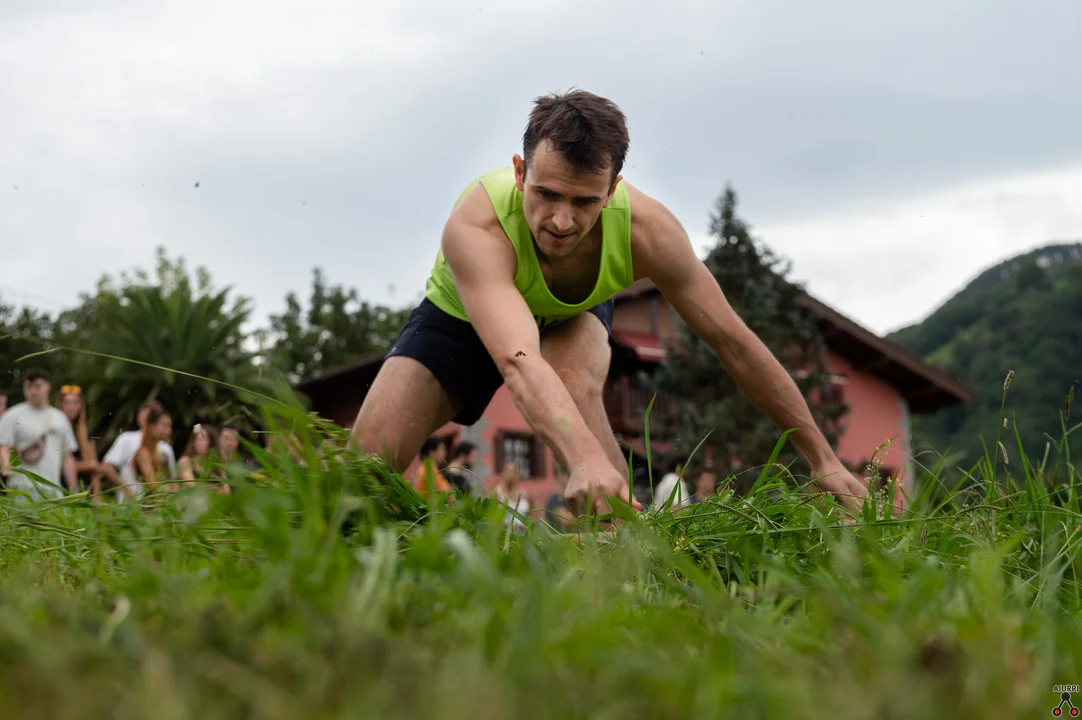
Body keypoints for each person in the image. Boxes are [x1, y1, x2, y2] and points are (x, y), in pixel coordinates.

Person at [352, 89, 870, 517]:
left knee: (576, 387)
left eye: (584, 202)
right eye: (546, 194)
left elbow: (733, 342)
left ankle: (629, 556)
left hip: (570, 313)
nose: (561, 222)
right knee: (360, 477)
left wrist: (822, 457)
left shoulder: (649, 233)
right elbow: (518, 358)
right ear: (519, 172)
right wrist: (582, 458)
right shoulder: (477, 227)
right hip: (461, 316)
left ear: (612, 190)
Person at [0, 368, 79, 500]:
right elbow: (3, 447)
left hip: (53, 490)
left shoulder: (60, 418)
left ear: (48, 387)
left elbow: (67, 457)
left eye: (37, 386)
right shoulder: (12, 415)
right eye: (28, 387)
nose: (33, 391)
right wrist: (6, 465)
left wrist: (75, 492)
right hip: (21, 490)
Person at [101, 400, 177, 501]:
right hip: (136, 501)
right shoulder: (127, 439)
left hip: (159, 502)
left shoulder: (166, 449)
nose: (168, 431)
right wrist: (125, 489)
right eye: (164, 425)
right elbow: (106, 467)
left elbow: (173, 480)